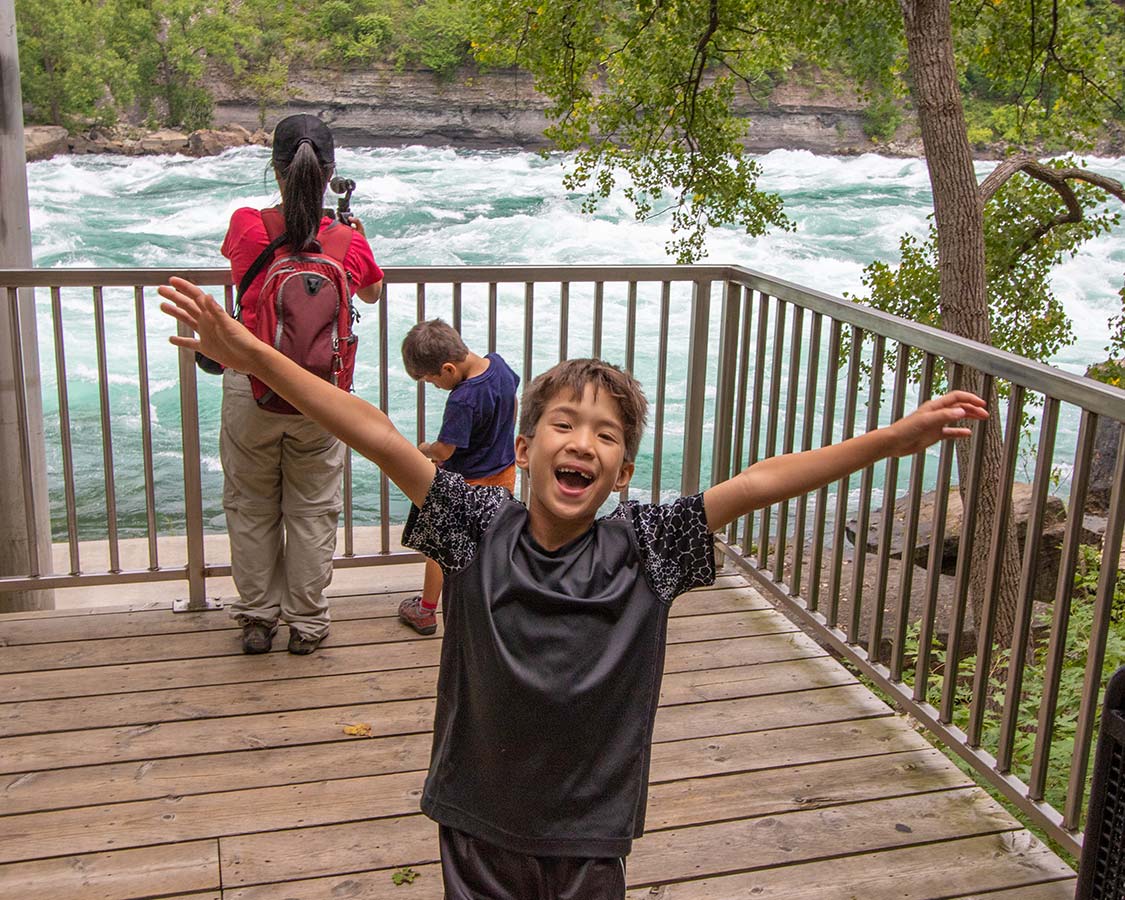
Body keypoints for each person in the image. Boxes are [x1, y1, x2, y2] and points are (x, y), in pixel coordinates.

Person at [158, 276, 987, 898]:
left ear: (622, 471)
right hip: (478, 820)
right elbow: (373, 430)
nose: (580, 441)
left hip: (590, 835)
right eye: (562, 423)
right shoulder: (475, 527)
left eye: (605, 435)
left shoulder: (649, 547)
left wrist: (895, 438)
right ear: (523, 450)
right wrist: (251, 352)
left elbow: (762, 480)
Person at [219, 114, 384, 656]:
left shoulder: (247, 225)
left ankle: (258, 620)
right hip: (322, 396)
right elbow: (372, 296)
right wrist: (355, 235)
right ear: (331, 170)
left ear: (276, 169)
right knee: (312, 509)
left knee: (251, 506)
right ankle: (307, 624)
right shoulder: (345, 241)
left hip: (255, 386)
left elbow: (242, 284)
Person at [397, 318, 519, 635]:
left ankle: (425, 611)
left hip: (467, 480)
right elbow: (512, 399)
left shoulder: (462, 399)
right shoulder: (499, 365)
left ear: (449, 369)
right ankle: (495, 605)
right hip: (504, 470)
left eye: (431, 381)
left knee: (442, 547)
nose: (435, 387)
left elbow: (446, 451)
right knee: (491, 540)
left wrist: (425, 449)